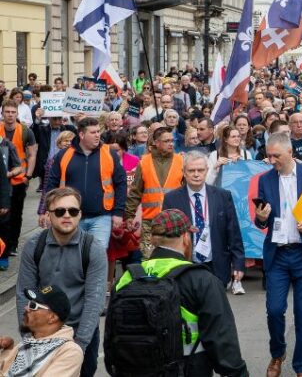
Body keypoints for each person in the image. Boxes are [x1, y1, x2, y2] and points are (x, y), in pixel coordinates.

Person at [112, 209, 249, 376]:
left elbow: (111, 340)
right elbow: (223, 344)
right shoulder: (201, 280)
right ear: (185, 238)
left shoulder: (127, 278)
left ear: (154, 240)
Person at [252, 132, 302, 377]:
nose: (271, 160)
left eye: (276, 155)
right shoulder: (265, 180)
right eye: (269, 155)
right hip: (277, 254)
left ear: (290, 152)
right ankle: (278, 354)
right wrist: (261, 218)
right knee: (275, 310)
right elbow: (261, 218)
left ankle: (301, 367)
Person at [16, 187, 108, 377]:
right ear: (49, 215)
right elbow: (23, 293)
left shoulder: (93, 249)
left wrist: (79, 346)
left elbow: (95, 300)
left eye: (73, 211)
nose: (67, 216)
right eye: (60, 211)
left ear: (80, 214)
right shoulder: (34, 246)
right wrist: (28, 337)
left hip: (80, 332)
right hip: (42, 332)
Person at [162, 150, 245, 293]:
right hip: (185, 265)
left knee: (215, 312)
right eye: (191, 170)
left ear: (207, 170)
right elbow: (166, 236)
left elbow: (233, 232)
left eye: (200, 170)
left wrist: (238, 264)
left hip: (216, 264)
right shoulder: (171, 199)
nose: (196, 174)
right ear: (184, 172)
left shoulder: (223, 196)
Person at [45, 117, 128, 250]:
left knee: (97, 254)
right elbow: (52, 184)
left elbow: (121, 184)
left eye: (98, 132)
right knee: (71, 254)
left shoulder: (109, 153)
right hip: (70, 216)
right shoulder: (64, 154)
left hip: (101, 217)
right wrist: (47, 210)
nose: (97, 135)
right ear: (82, 135)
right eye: (93, 132)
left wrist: (118, 213)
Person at [125, 127, 185, 258]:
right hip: (150, 222)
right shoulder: (144, 162)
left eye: (172, 140)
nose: (171, 143)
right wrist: (129, 215)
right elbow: (135, 191)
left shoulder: (181, 161)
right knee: (149, 259)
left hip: (173, 221)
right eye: (166, 141)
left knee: (173, 261)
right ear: (156, 143)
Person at [0, 285, 83, 376]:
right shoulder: (30, 342)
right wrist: (8, 350)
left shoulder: (70, 352)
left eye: (33, 306)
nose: (26, 308)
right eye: (29, 304)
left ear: (52, 317)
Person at [1, 99, 37, 265]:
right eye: (7, 112)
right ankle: (5, 246)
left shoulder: (25, 131)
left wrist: (28, 176)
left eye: (12, 112)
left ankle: (13, 244)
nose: (10, 115)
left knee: (16, 213)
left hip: (18, 179)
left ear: (17, 114)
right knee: (4, 216)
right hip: (3, 181)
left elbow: (32, 154)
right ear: (2, 113)